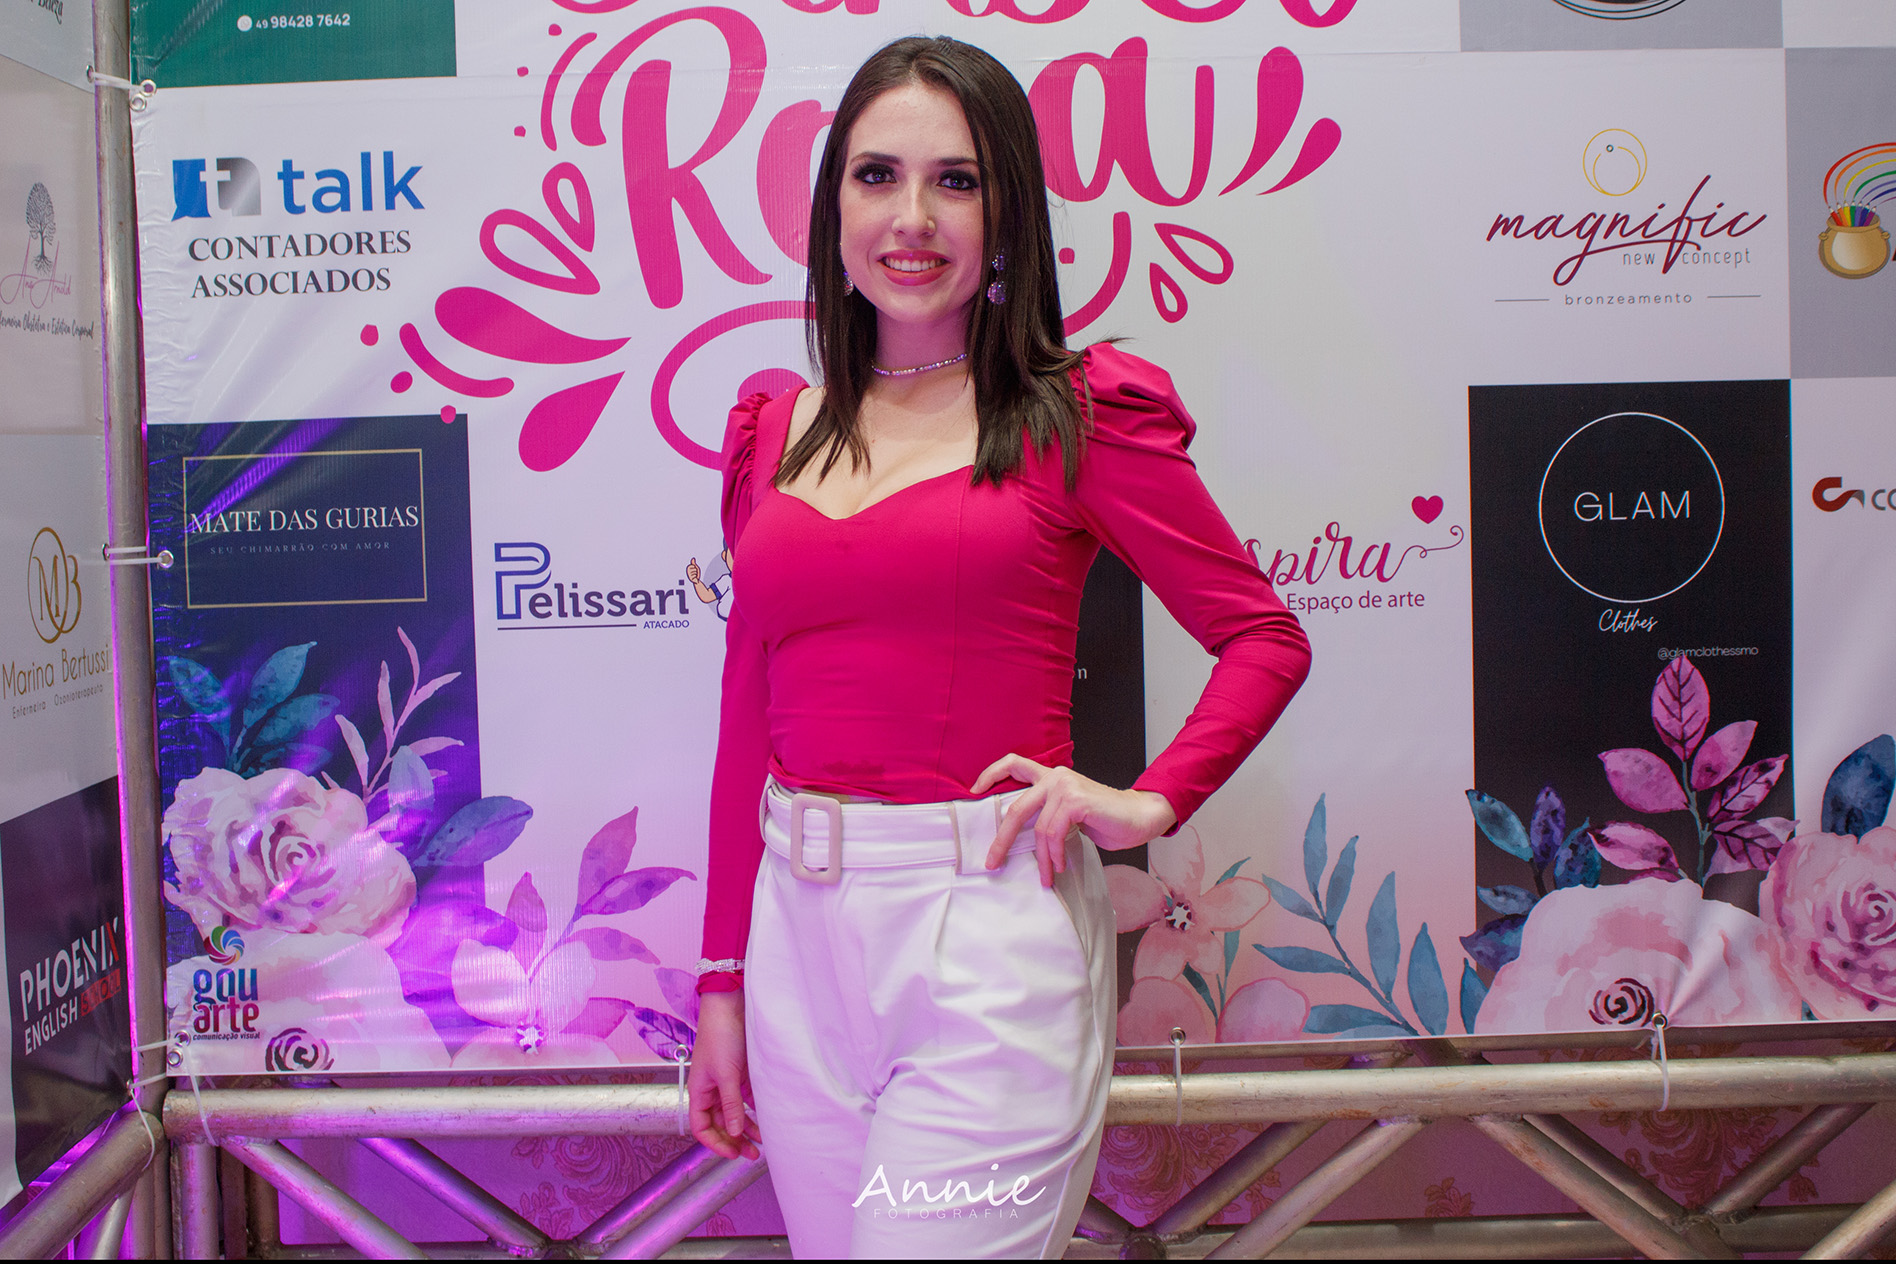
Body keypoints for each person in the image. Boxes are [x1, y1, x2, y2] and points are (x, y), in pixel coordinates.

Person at [686, 34, 1310, 1259]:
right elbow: (744, 715)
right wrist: (720, 980)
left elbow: (1260, 636)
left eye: (956, 181)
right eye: (877, 175)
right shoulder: (775, 427)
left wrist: (1146, 801)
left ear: (1007, 210)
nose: (912, 218)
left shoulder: (1074, 415)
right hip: (794, 938)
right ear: (833, 203)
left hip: (984, 939)